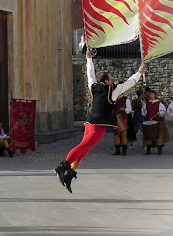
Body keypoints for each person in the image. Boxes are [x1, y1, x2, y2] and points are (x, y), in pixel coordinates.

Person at [54, 50, 145, 193]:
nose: (113, 80)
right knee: (84, 146)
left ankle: (70, 173)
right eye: (111, 78)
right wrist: (139, 73)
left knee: (85, 148)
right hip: (98, 126)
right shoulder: (112, 90)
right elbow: (130, 83)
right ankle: (63, 166)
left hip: (90, 124)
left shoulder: (94, 87)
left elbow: (90, 75)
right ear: (107, 81)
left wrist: (89, 59)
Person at [141, 90, 169, 155]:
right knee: (149, 136)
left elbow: (164, 112)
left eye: (153, 95)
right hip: (149, 121)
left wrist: (160, 113)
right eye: (150, 95)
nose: (151, 96)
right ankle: (148, 150)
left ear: (155, 95)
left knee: (159, 136)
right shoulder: (146, 104)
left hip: (157, 121)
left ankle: (160, 150)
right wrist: (145, 112)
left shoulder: (159, 104)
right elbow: (143, 112)